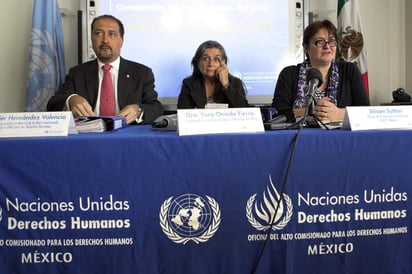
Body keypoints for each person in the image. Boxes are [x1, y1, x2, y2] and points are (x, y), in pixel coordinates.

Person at [47, 14, 163, 124]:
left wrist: (138, 110)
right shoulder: (77, 73)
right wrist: (71, 99)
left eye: (111, 34)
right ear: (92, 39)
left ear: (121, 40)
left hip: (126, 135)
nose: (105, 40)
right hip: (89, 137)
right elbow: (52, 104)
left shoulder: (141, 73)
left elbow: (156, 108)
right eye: (98, 33)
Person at [271, 19, 370, 122]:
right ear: (306, 47)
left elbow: (365, 111)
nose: (327, 46)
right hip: (299, 136)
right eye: (320, 42)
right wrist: (310, 111)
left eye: (331, 41)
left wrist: (339, 114)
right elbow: (276, 113)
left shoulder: (350, 71)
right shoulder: (288, 74)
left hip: (339, 137)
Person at [177, 40, 249, 109]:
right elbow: (183, 114)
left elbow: (245, 111)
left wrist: (226, 84)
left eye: (216, 59)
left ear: (223, 62)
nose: (211, 64)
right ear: (197, 62)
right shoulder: (189, 84)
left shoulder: (235, 83)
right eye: (205, 59)